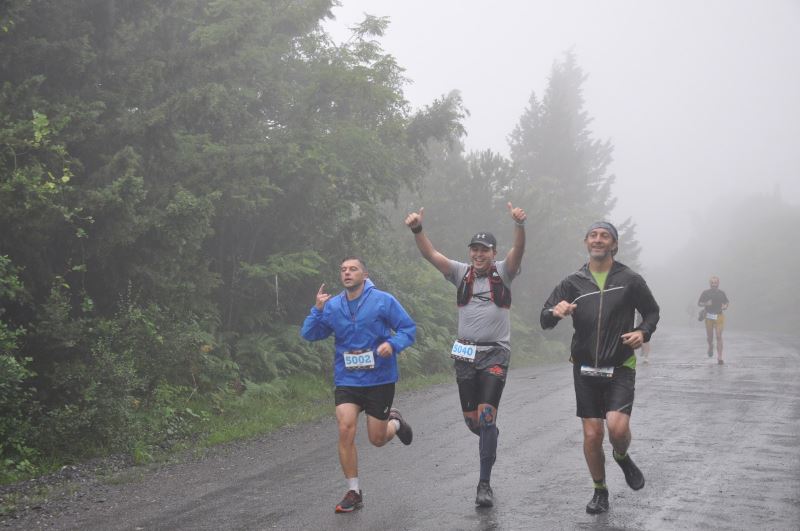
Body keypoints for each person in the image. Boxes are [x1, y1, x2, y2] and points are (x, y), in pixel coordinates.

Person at [404, 203, 526, 507]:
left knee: (486, 416)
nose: (478, 254)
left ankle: (484, 484)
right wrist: (418, 228)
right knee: (474, 422)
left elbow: (518, 252)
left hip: (496, 354)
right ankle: (489, 435)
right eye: (475, 249)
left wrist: (519, 226)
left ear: (493, 252)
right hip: (465, 355)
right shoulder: (461, 273)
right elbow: (430, 255)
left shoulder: (504, 272)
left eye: (484, 250)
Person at [540, 221, 659, 515]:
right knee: (593, 435)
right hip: (584, 368)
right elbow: (544, 317)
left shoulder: (630, 280)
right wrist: (555, 312)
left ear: (614, 245)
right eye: (593, 235)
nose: (598, 240)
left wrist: (643, 332)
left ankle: (621, 455)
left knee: (617, 429)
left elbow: (652, 312)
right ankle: (600, 491)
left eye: (605, 236)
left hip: (620, 365)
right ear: (586, 242)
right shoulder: (572, 282)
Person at [300, 257, 416, 513]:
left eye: (353, 269)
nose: (347, 273)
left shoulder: (383, 300)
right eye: (343, 270)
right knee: (345, 428)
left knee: (376, 438)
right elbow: (309, 334)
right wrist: (317, 309)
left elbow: (408, 329)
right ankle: (353, 491)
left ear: (365, 274)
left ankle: (394, 423)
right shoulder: (332, 306)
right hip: (347, 379)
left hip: (380, 379)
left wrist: (393, 345)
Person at [697, 276, 729, 364]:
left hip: (719, 315)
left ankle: (720, 357)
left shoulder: (721, 293)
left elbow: (726, 302)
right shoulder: (705, 293)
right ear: (710, 283)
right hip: (709, 316)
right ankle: (710, 346)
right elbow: (699, 303)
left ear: (718, 283)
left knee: (719, 336)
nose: (714, 284)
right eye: (712, 283)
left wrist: (725, 306)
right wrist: (706, 303)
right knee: (710, 337)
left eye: (715, 283)